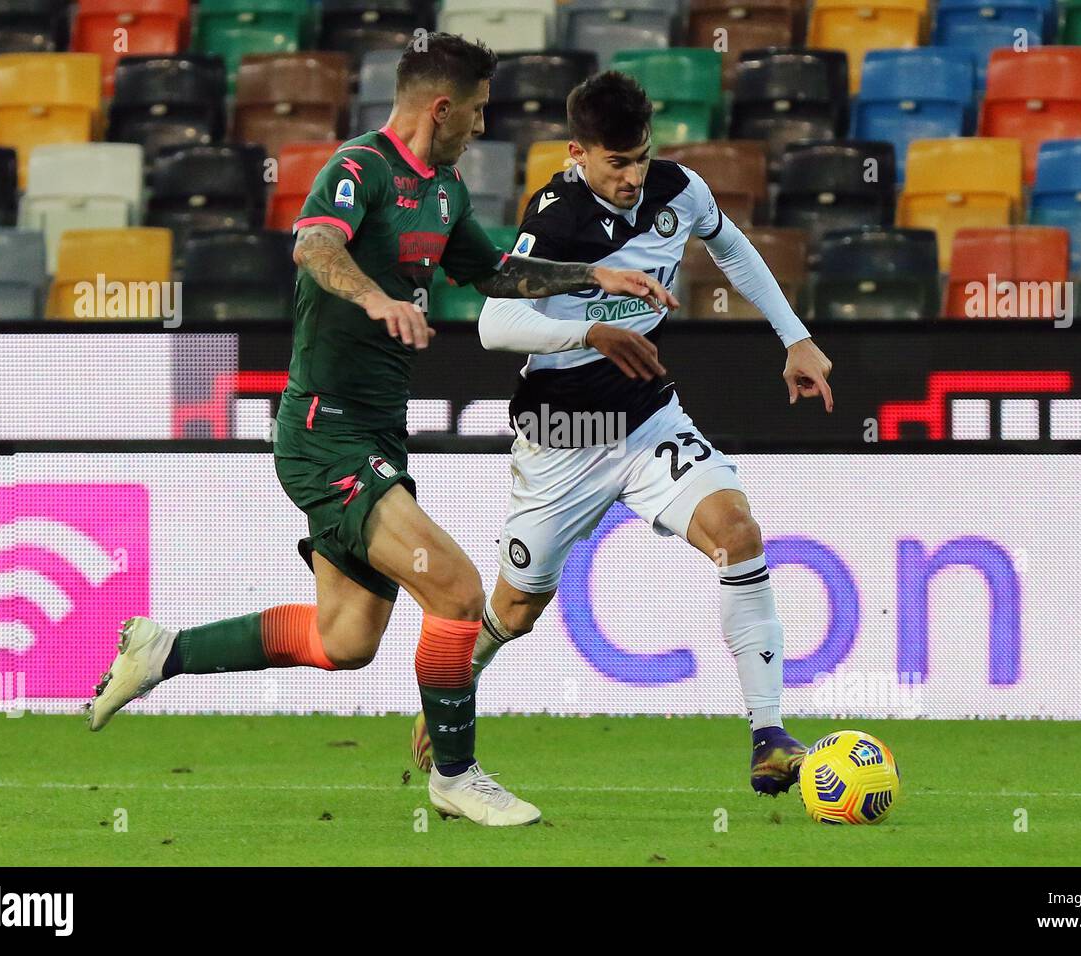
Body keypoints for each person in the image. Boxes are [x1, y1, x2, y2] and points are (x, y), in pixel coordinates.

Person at [86, 36, 678, 828]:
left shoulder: (444, 189)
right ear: (442, 107)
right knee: (459, 589)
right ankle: (457, 775)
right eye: (474, 111)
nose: (480, 124)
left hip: (375, 433)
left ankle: (163, 653)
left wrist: (592, 278)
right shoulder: (361, 168)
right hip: (324, 429)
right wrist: (374, 298)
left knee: (345, 638)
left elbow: (494, 273)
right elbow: (315, 245)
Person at [411, 70, 835, 796]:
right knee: (515, 611)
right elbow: (493, 322)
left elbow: (731, 247)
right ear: (578, 152)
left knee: (739, 532)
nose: (634, 176)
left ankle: (769, 737)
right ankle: (457, 687)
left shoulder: (679, 191)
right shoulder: (555, 214)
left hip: (644, 417)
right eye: (617, 162)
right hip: (562, 431)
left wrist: (794, 338)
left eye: (641, 157)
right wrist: (594, 330)